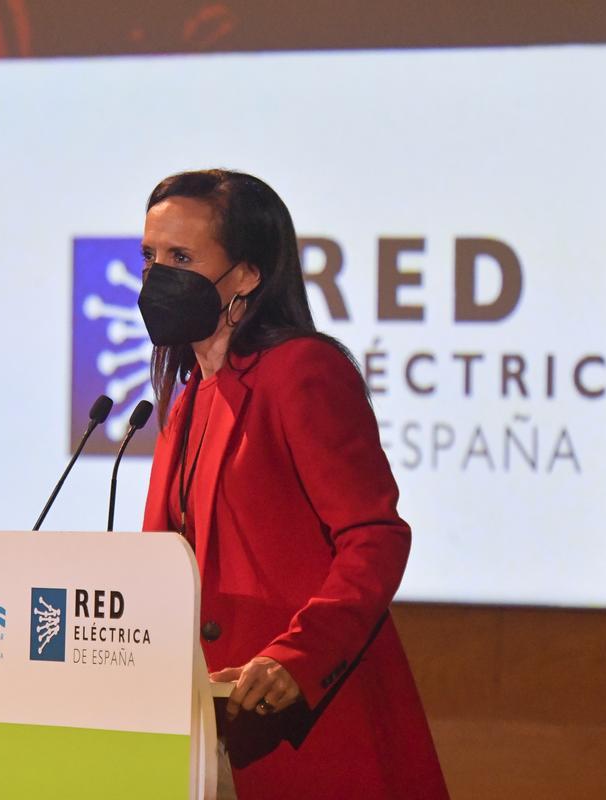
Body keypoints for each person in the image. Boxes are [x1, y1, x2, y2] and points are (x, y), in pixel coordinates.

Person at [138, 169, 449, 799]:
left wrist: (297, 658)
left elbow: (375, 536)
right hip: (208, 735)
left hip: (303, 726)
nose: (157, 277)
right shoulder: (187, 400)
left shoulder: (301, 371)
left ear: (247, 275)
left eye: (181, 257)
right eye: (150, 257)